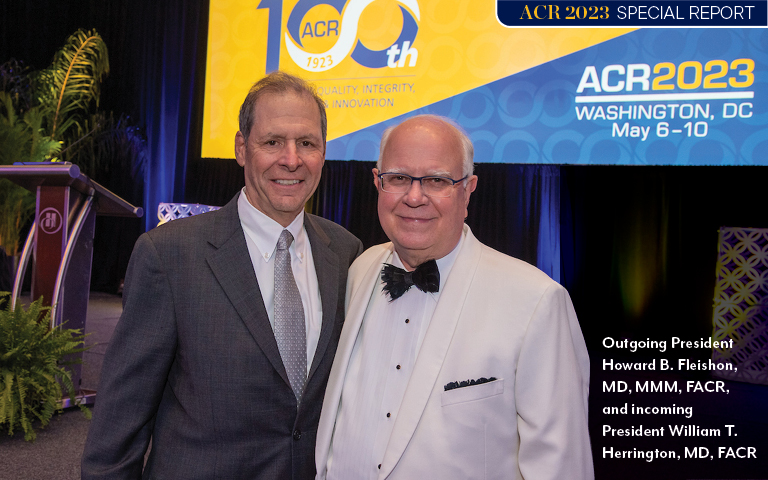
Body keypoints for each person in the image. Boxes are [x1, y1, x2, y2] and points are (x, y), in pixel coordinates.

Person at [81, 71, 363, 479]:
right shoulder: (169, 255)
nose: (291, 159)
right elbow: (120, 423)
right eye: (272, 142)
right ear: (241, 148)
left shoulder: (345, 252)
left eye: (307, 143)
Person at [315, 115, 593, 479]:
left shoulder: (536, 301)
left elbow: (561, 466)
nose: (415, 197)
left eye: (437, 180)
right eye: (398, 178)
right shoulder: (358, 270)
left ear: (468, 189)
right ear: (377, 182)